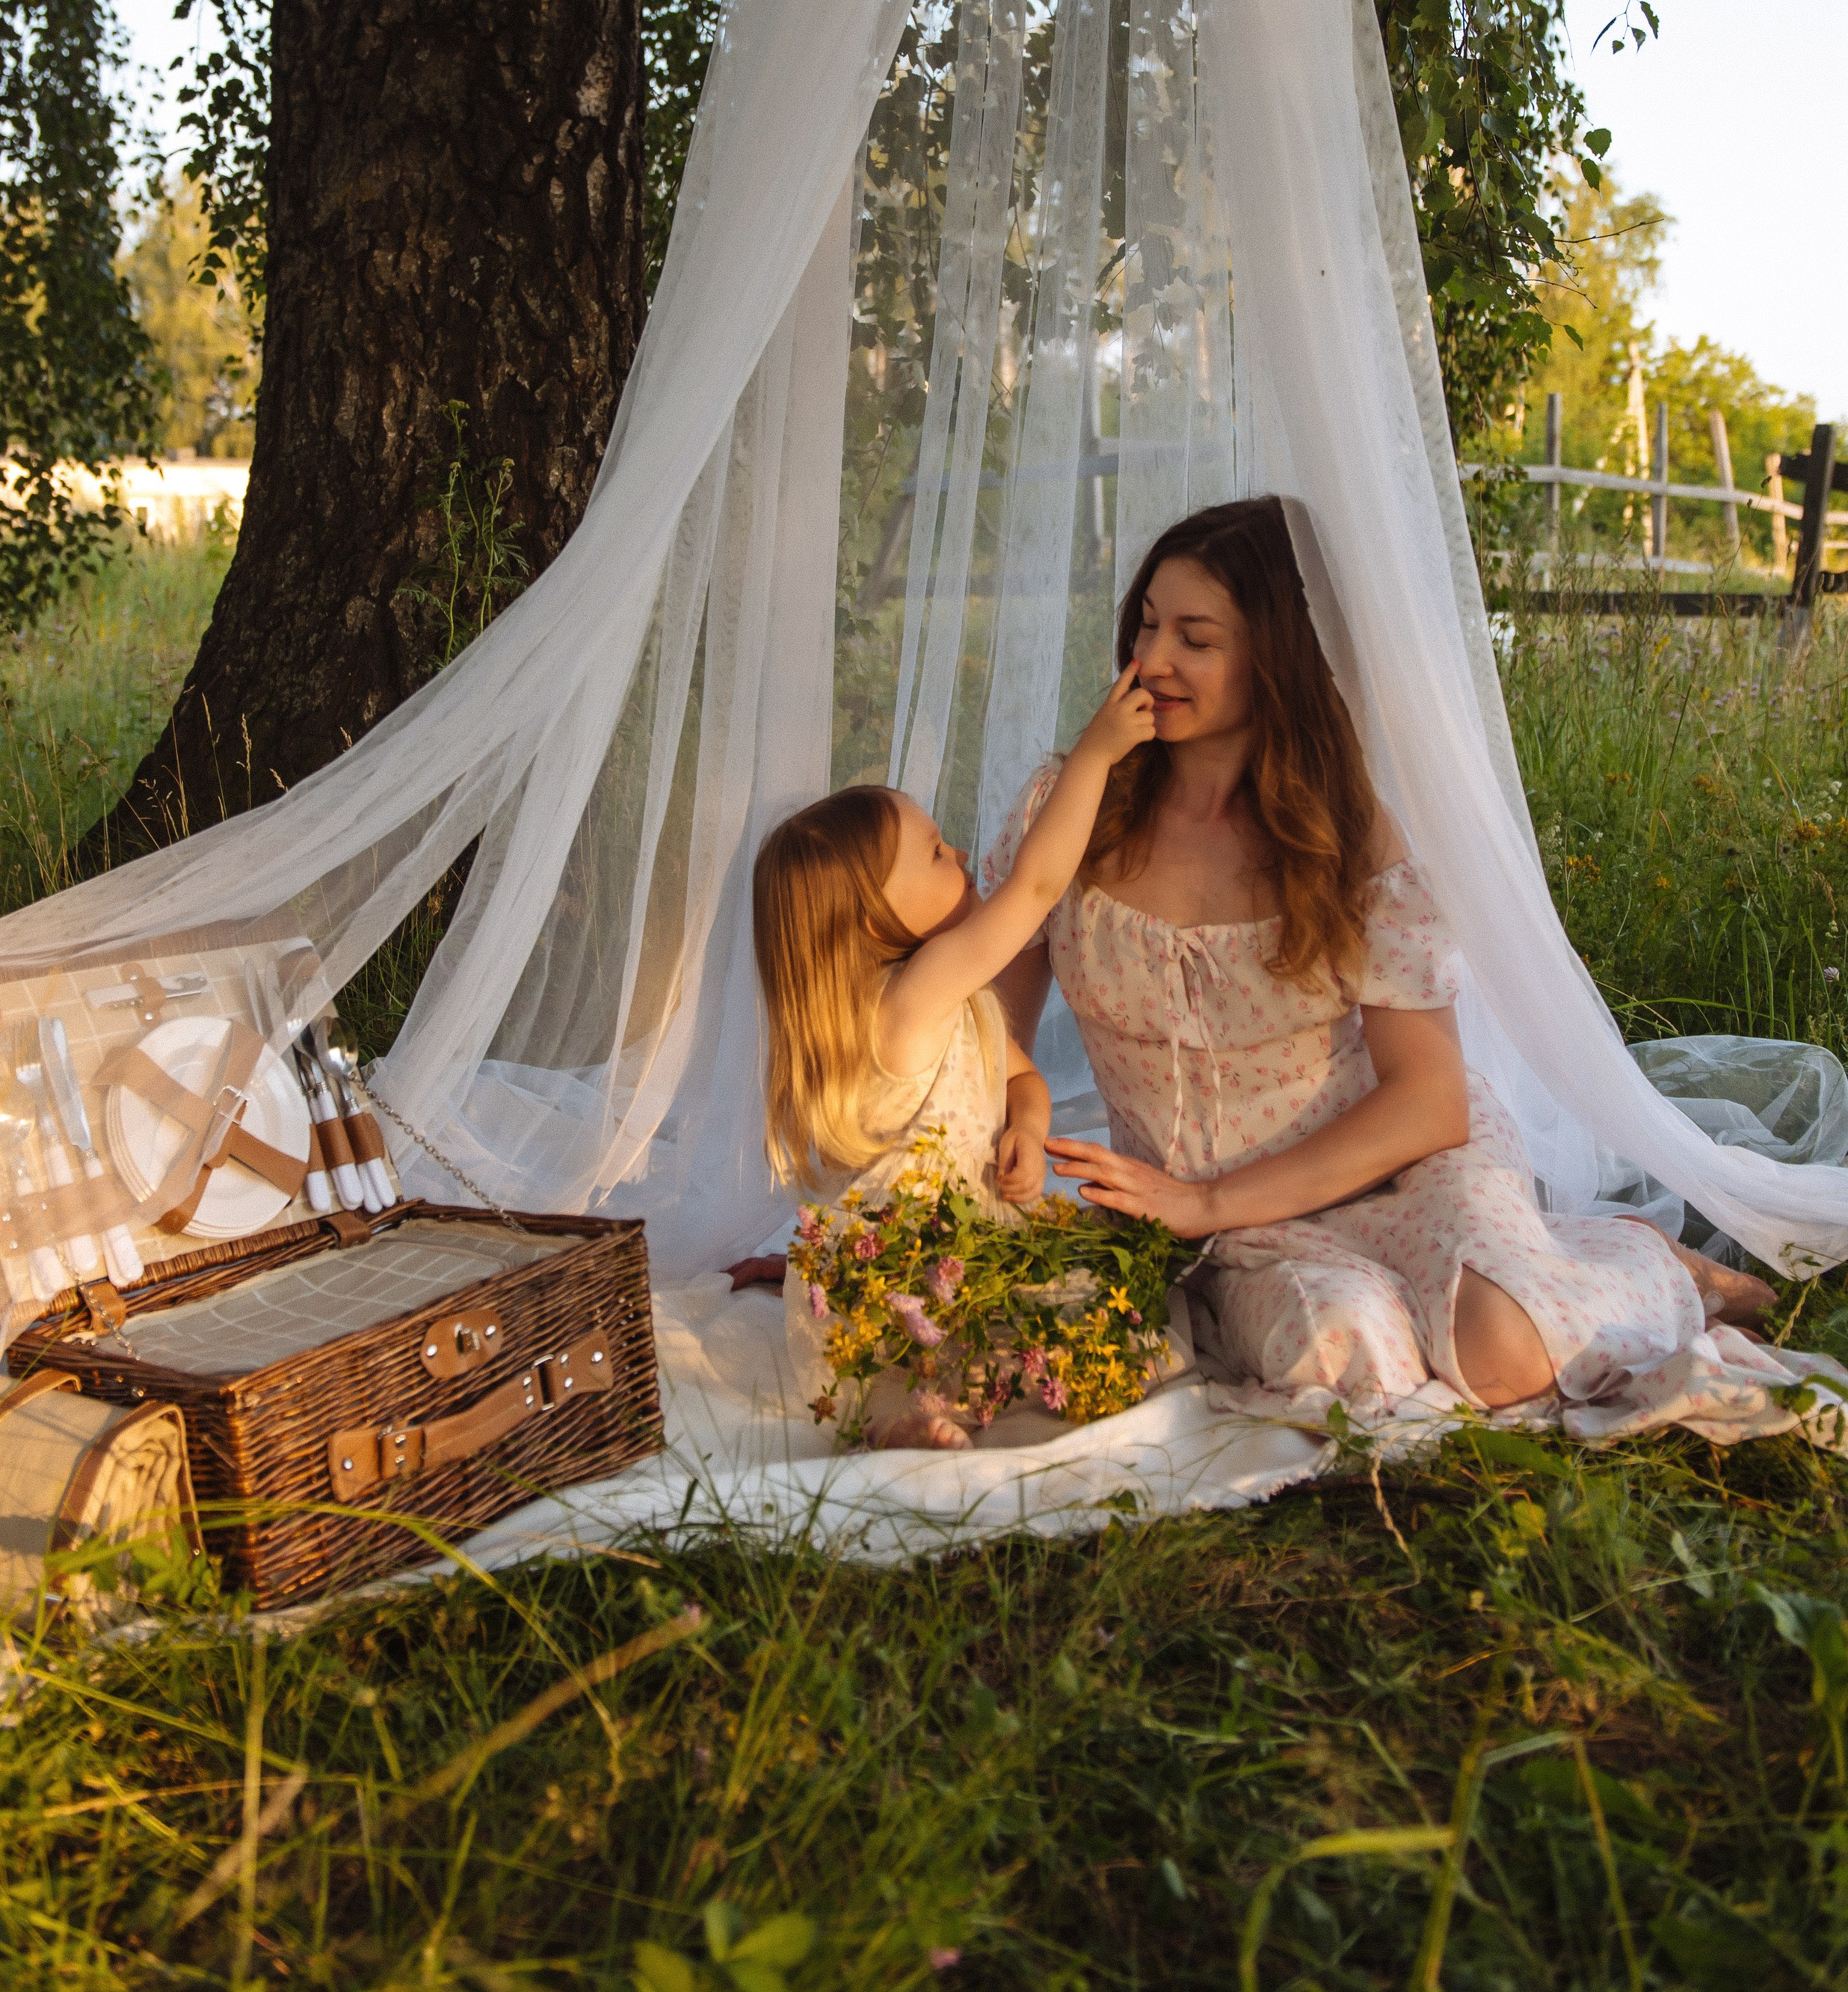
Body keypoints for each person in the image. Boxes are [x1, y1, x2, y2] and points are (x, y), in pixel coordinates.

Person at [982, 497, 1773, 1422]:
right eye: (1148, 625)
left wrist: (1207, 1200)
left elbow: (1428, 1101)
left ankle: (1639, 1258)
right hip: (1229, 1226)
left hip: (1392, 1160)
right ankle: (1520, 1267)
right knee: (1349, 1358)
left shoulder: (1345, 840)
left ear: (1276, 659)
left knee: (1504, 1355)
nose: (1150, 661)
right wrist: (1027, 1125)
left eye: (1194, 639)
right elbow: (991, 1021)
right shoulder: (1070, 808)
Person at [736, 664, 1156, 1445]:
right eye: (934, 853)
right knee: (967, 1341)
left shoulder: (948, 1002)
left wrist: (1025, 1131)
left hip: (974, 1246)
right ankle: (896, 1421)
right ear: (870, 924)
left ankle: (924, 1408)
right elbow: (1033, 892)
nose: (958, 851)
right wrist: (1094, 757)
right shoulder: (911, 1002)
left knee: (1102, 1315)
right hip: (909, 1274)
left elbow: (1024, 1080)